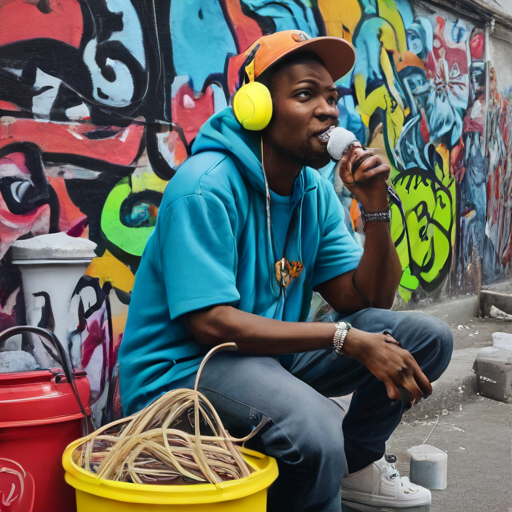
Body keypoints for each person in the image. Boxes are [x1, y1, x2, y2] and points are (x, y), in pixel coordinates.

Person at [118, 30, 453, 511]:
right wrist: (344, 338)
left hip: (263, 359)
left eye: (332, 97)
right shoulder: (205, 186)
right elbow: (211, 324)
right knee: (315, 426)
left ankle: (352, 467)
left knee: (427, 339)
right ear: (256, 107)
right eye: (305, 95)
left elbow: (367, 301)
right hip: (182, 372)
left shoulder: (312, 192)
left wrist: (375, 211)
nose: (328, 110)